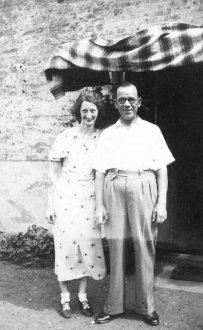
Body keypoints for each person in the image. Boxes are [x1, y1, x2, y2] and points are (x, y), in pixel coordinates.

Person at [93, 82, 175, 326]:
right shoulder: (108, 134)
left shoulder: (152, 131)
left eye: (131, 99)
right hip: (114, 183)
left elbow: (162, 170)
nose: (126, 104)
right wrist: (99, 205)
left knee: (145, 245)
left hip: (144, 184)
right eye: (122, 100)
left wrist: (162, 202)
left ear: (139, 102)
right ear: (115, 103)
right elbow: (99, 171)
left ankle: (146, 307)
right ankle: (114, 306)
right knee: (116, 245)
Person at [46, 91, 106, 319]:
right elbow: (52, 175)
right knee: (65, 246)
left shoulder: (101, 138)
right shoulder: (65, 136)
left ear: (98, 113)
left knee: (87, 248)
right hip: (66, 196)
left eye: (92, 111)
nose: (88, 115)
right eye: (84, 111)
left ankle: (82, 296)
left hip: (90, 196)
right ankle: (65, 299)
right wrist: (49, 205)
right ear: (78, 112)